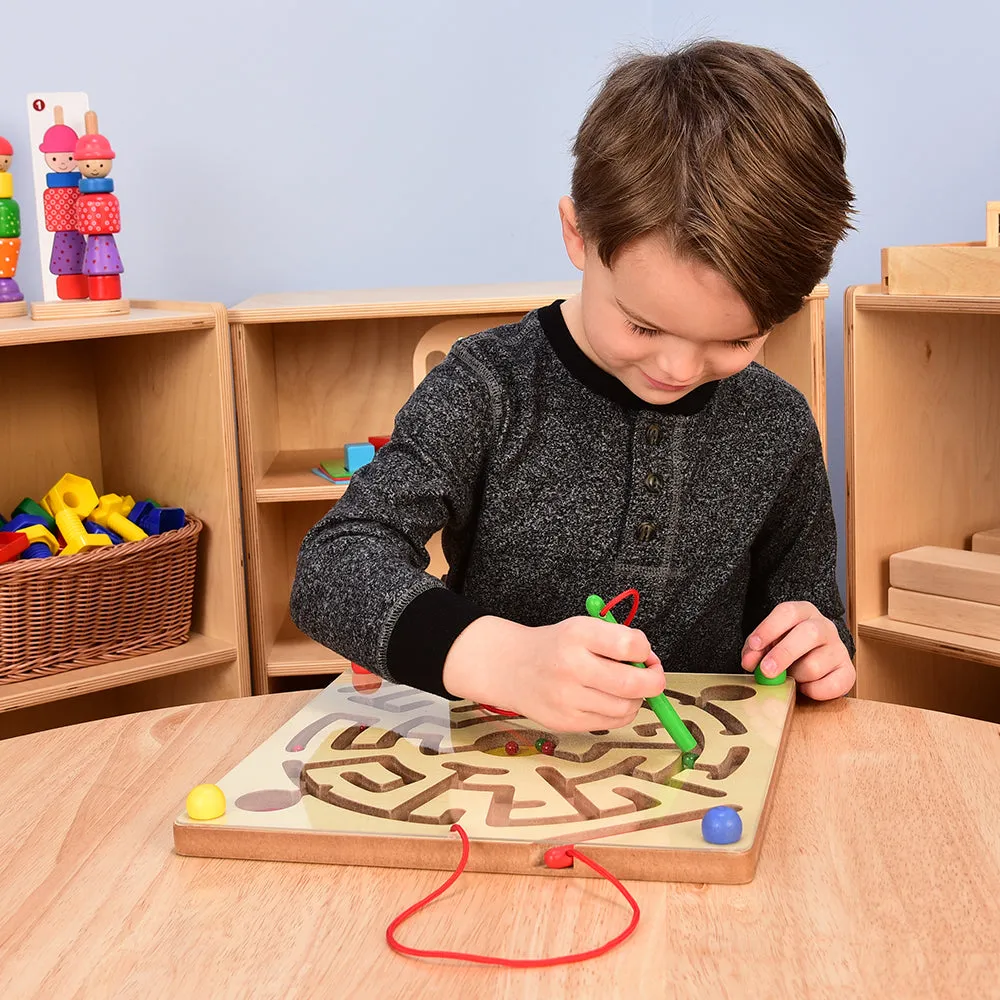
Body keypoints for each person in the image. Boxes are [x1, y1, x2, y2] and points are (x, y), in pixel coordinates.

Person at [291, 39, 857, 733]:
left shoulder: (778, 423)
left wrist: (819, 648)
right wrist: (500, 658)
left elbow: (809, 614)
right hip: (503, 771)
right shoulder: (486, 388)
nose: (679, 370)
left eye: (736, 340)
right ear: (579, 235)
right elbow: (335, 564)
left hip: (708, 788)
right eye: (645, 327)